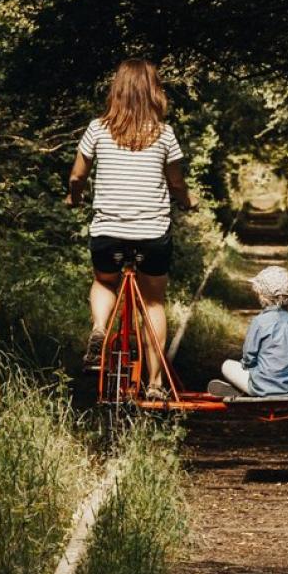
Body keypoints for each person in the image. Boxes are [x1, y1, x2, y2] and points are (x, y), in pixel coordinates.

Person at [66, 58, 195, 398]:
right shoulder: (164, 134)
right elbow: (177, 183)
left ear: (117, 91)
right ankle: (154, 384)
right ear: (154, 92)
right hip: (152, 235)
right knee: (153, 302)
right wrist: (186, 201)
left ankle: (98, 329)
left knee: (103, 281)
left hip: (108, 232)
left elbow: (77, 175)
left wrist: (74, 197)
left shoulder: (97, 129)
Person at [208, 266, 288, 397]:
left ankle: (245, 390)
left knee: (227, 365)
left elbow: (248, 358)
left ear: (262, 294)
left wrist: (251, 369)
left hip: (264, 388)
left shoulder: (260, 322)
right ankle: (247, 389)